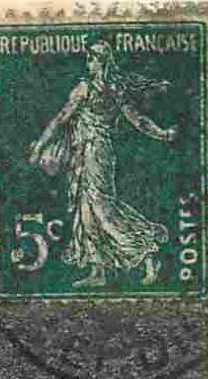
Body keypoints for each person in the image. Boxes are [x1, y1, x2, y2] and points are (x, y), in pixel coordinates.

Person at [29, 40, 178, 288]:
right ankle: (99, 271)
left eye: (94, 58)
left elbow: (137, 120)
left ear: (103, 61)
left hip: (96, 152)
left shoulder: (95, 89)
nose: (90, 62)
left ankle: (147, 251)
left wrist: (161, 134)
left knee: (101, 209)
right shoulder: (104, 88)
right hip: (83, 154)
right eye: (89, 58)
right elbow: (61, 119)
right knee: (86, 212)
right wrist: (161, 133)